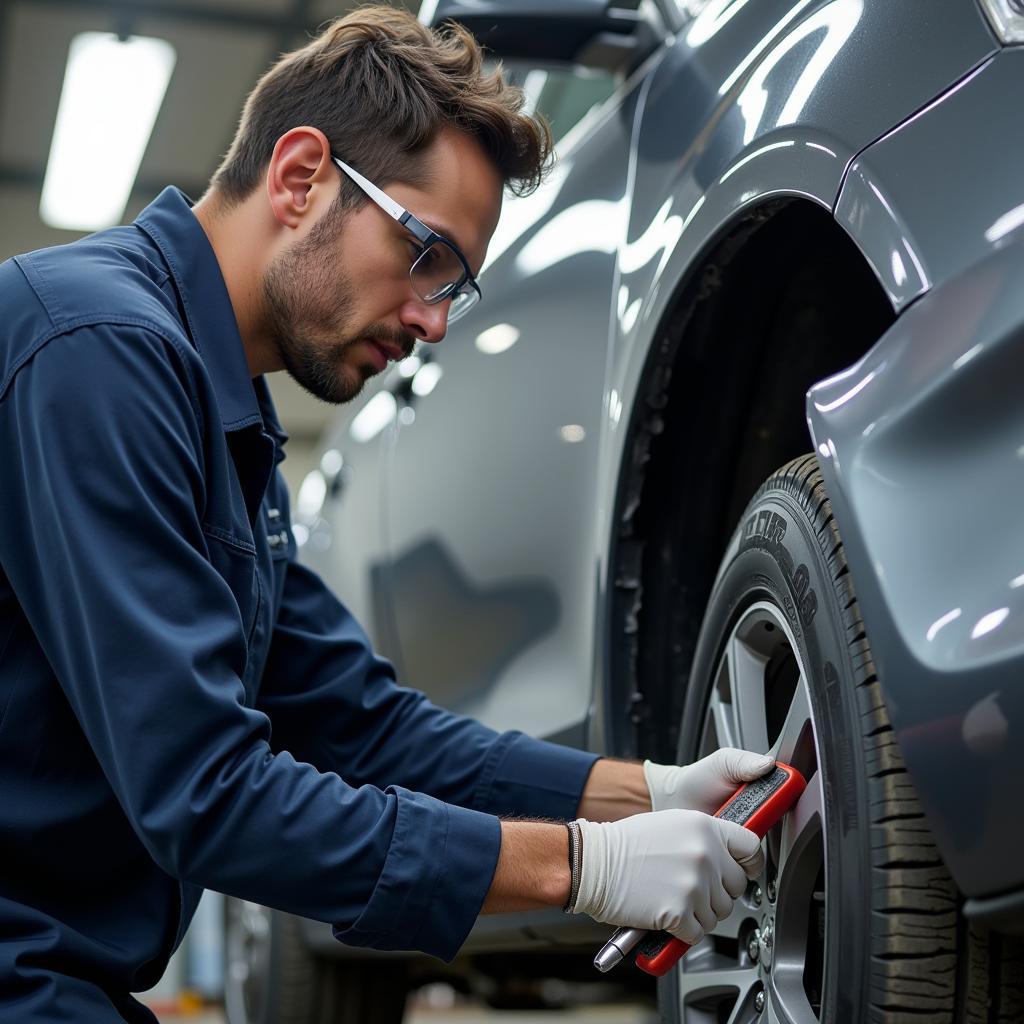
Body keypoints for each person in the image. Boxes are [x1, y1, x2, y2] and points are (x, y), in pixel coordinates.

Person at [0, 7, 775, 1022]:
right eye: (425, 255)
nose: (435, 320)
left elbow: (361, 727)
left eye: (457, 284)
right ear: (300, 175)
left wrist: (646, 792)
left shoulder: (229, 430)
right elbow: (209, 792)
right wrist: (578, 865)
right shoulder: (94, 350)